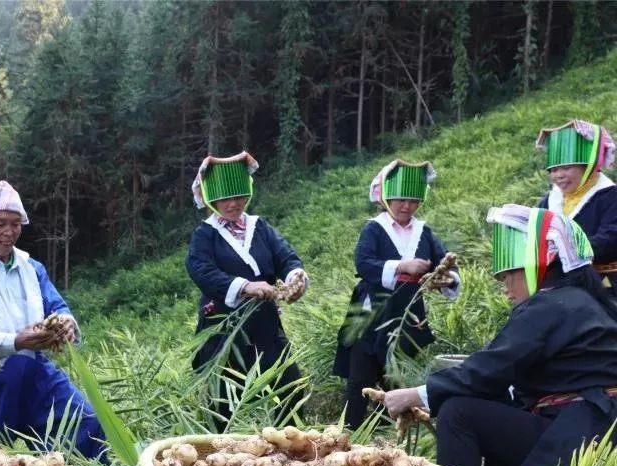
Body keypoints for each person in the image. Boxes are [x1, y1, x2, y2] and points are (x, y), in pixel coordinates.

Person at [379, 205, 617, 466]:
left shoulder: (550, 306)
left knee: (458, 412)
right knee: (484, 404)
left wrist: (416, 395)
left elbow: (489, 369)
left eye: (509, 275)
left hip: (581, 431)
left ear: (541, 264)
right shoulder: (580, 302)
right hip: (592, 427)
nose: (505, 287)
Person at [0, 180, 104, 458]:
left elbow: (57, 305)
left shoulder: (32, 268)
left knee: (86, 422)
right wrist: (17, 341)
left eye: (15, 224)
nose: (9, 232)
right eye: (1, 223)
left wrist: (65, 322)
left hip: (35, 368)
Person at [333, 160, 460, 429]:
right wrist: (403, 266)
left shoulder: (424, 231)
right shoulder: (375, 229)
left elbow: (447, 263)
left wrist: (444, 279)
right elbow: (364, 264)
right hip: (371, 314)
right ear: (386, 198)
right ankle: (348, 435)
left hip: (408, 316)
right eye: (400, 199)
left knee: (396, 379)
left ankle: (387, 437)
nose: (406, 206)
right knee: (360, 380)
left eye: (413, 201)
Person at [185, 152, 308, 429]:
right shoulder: (205, 234)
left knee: (290, 388)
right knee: (221, 404)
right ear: (211, 200)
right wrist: (246, 286)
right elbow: (201, 270)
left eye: (239, 196)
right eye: (226, 198)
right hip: (224, 328)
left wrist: (295, 277)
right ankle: (218, 457)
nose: (233, 204)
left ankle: (289, 449)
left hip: (265, 326)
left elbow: (285, 257)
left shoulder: (259, 227)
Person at [535, 120, 617, 291]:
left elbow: (611, 238)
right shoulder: (548, 202)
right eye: (553, 170)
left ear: (588, 167)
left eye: (566, 168)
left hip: (605, 283)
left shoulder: (610, 195)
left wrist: (567, 249)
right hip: (561, 283)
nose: (559, 176)